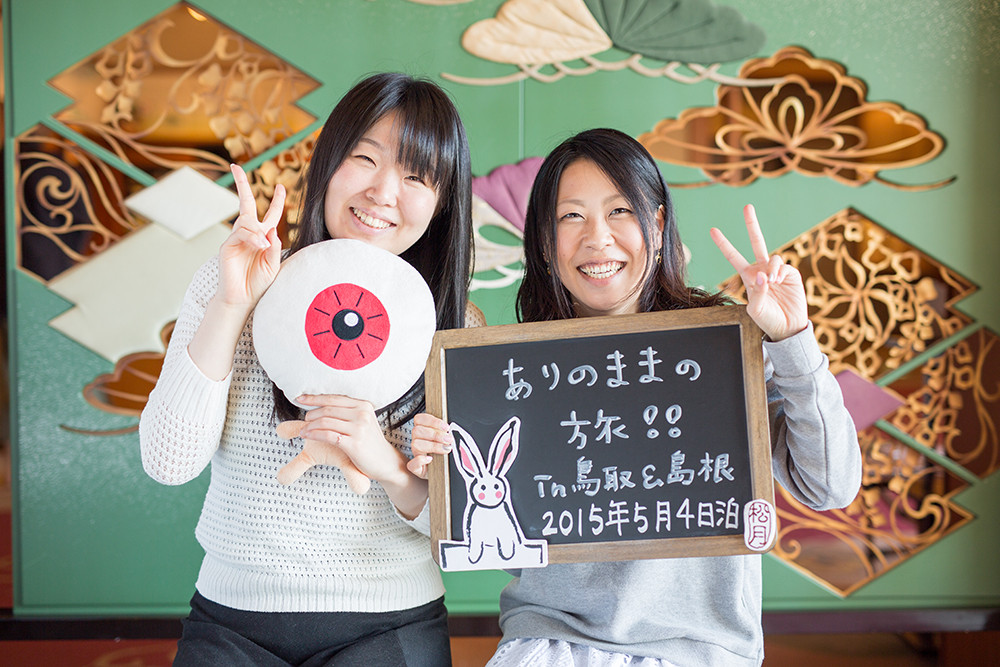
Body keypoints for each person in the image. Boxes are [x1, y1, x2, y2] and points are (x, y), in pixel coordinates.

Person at [409, 128, 862, 666]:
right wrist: (436, 468)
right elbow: (505, 537)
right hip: (550, 643)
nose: (597, 238)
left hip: (697, 652)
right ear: (546, 245)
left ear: (659, 224)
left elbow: (829, 486)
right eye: (570, 216)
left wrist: (792, 340)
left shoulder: (723, 349)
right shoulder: (518, 372)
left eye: (620, 210)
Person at [140, 72, 478, 666]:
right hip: (231, 619)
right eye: (364, 158)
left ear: (442, 201)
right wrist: (232, 305)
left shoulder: (454, 326)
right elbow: (169, 461)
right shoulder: (237, 280)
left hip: (391, 625)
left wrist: (388, 467)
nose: (383, 192)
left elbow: (468, 529)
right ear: (327, 163)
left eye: (416, 176)